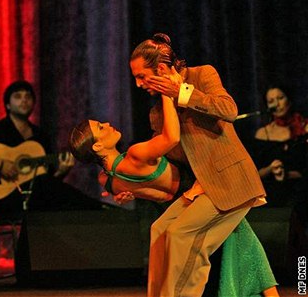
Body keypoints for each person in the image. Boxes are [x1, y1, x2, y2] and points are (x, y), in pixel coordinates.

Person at [69, 94, 279, 296]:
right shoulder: (135, 154)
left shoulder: (106, 178)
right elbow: (171, 137)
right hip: (192, 190)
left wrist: (132, 194)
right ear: (97, 145)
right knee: (240, 240)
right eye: (100, 127)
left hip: (177, 200)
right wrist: (168, 95)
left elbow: (154, 193)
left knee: (238, 240)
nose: (106, 123)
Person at [127, 33, 267, 297]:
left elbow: (229, 110)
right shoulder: (157, 113)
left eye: (141, 76)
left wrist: (181, 93)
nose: (137, 84)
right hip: (200, 187)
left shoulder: (202, 75)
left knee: (181, 235)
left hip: (229, 180)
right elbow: (169, 161)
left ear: (160, 69)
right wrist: (137, 184)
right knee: (160, 229)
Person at [0, 80, 104, 222]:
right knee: (56, 195)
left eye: (28, 96)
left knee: (58, 200)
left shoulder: (40, 136)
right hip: (6, 198)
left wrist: (61, 173)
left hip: (36, 197)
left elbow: (48, 182)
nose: (24, 100)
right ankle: (100, 209)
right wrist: (0, 164)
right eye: (18, 96)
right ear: (8, 105)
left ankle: (95, 214)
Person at [252, 85, 308, 282]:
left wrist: (287, 174)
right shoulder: (262, 134)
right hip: (271, 193)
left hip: (300, 192)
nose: (276, 104)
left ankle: (302, 279)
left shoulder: (303, 129)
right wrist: (271, 169)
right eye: (271, 101)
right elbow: (253, 174)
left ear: (289, 100)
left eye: (280, 98)